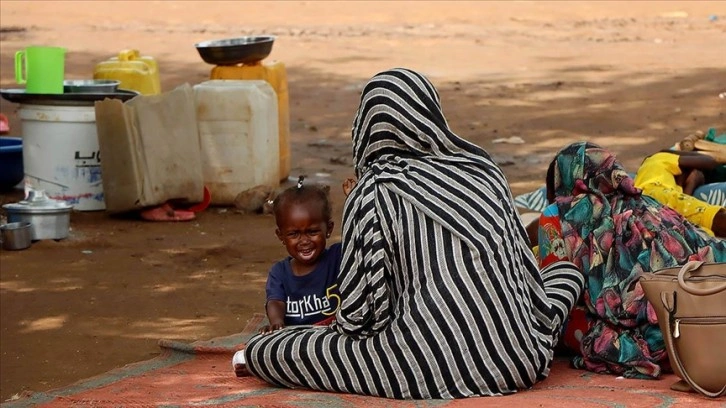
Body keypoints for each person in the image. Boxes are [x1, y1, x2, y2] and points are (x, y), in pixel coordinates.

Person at [238, 68, 584, 399]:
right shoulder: (484, 172)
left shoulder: (371, 190)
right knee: (564, 272)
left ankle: (259, 354)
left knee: (266, 349)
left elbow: (360, 318)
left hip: (423, 366)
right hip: (521, 358)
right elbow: (524, 278)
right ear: (430, 114)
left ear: (364, 127)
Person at [538, 141, 726, 379]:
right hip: (687, 327)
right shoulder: (652, 205)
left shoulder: (556, 216)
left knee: (556, 320)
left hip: (637, 334)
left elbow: (554, 284)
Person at [260, 176, 342, 334]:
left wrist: (354, 203)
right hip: (295, 339)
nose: (304, 241)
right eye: (293, 234)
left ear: (329, 229)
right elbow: (275, 301)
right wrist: (277, 323)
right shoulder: (279, 273)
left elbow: (361, 242)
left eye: (312, 232)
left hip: (333, 337)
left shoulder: (337, 257)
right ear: (281, 236)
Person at [634, 150, 726, 237]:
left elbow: (682, 212)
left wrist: (692, 182)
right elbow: (710, 162)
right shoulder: (657, 158)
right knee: (713, 218)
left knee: (701, 234)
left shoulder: (644, 176)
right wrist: (671, 152)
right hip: (657, 194)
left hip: (644, 205)